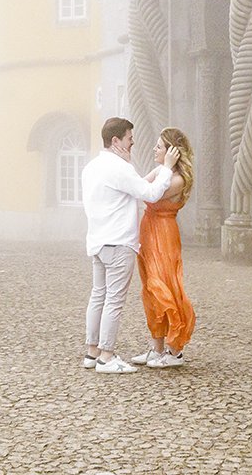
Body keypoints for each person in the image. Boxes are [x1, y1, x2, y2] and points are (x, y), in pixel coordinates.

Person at [81, 116, 180, 374]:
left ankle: (92, 353)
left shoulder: (92, 167)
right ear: (116, 141)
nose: (132, 145)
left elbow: (129, 189)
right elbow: (151, 193)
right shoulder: (119, 168)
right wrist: (167, 168)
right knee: (113, 301)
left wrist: (157, 172)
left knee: (98, 296)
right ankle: (107, 357)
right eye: (129, 140)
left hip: (98, 241)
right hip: (118, 243)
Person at [129, 126, 196, 369]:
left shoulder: (177, 178)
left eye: (159, 146)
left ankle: (175, 350)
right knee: (149, 288)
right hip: (149, 231)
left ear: (172, 152)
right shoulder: (163, 170)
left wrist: (164, 169)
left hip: (164, 235)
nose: (154, 149)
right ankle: (157, 349)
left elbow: (152, 196)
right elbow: (140, 187)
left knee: (165, 286)